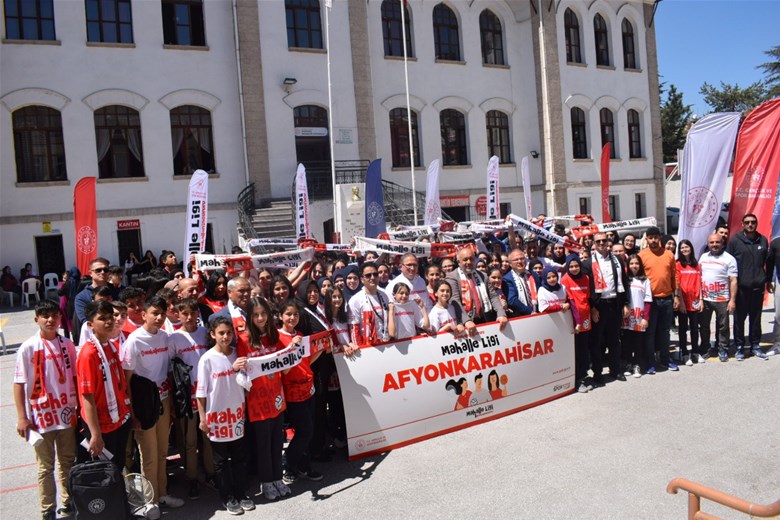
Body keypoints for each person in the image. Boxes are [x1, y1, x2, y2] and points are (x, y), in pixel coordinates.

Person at [14, 300, 78, 520]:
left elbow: (76, 378)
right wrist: (22, 417)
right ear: (36, 319)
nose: (50, 320)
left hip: (66, 413)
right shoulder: (28, 347)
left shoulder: (68, 345)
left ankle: (69, 502)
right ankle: (47, 509)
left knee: (68, 461)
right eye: (45, 316)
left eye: (54, 315)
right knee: (45, 466)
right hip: (41, 416)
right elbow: (19, 383)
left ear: (61, 318)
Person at [122, 296, 184, 512]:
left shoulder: (166, 338)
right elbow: (127, 380)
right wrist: (133, 413)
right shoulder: (134, 341)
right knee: (148, 455)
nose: (159, 317)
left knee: (161, 453)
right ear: (144, 315)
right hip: (144, 405)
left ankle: (163, 494)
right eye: (154, 313)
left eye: (162, 313)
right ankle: (150, 502)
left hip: (164, 400)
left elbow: (167, 371)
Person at [196, 317, 255, 515]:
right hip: (217, 418)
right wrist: (203, 419)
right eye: (221, 333)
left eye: (229, 333)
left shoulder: (238, 355)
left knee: (239, 457)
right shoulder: (207, 359)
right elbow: (201, 393)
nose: (226, 337)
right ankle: (227, 496)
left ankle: (242, 493)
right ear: (212, 334)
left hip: (236, 415)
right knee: (221, 462)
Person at [241, 297, 290, 501]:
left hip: (276, 396)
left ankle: (278, 478)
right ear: (250, 317)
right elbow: (243, 371)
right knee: (263, 444)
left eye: (264, 313)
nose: (260, 318)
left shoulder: (274, 335)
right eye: (256, 315)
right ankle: (267, 481)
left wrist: (292, 350)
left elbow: (284, 365)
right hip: (257, 400)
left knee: (277, 441)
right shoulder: (244, 339)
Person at [75, 300, 132, 476]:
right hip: (102, 425)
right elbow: (87, 397)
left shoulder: (109, 345)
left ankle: (120, 499)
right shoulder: (89, 353)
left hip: (118, 419)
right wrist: (95, 434)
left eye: (110, 317)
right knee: (105, 473)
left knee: (118, 465)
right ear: (91, 325)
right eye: (102, 318)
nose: (109, 322)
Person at [169, 298, 214, 500]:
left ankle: (211, 473)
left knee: (208, 437)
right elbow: (170, 371)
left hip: (207, 395)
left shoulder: (205, 333)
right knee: (189, 440)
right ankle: (192, 478)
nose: (189, 317)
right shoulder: (174, 338)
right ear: (178, 315)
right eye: (184, 313)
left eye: (193, 313)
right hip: (187, 397)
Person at [278, 301, 324, 484]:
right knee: (305, 431)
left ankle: (304, 466)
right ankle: (288, 462)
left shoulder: (301, 335)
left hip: (308, 387)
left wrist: (320, 348)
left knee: (308, 431)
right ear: (281, 316)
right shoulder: (278, 337)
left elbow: (307, 361)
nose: (292, 318)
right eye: (288, 314)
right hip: (293, 390)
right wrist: (291, 348)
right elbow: (284, 369)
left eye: (295, 314)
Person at [726, 214, 770, 359]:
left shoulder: (763, 240)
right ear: (742, 224)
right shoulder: (735, 241)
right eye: (747, 222)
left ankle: (755, 346)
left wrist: (766, 280)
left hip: (757, 288)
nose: (750, 224)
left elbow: (766, 262)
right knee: (739, 319)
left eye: (753, 222)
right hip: (741, 289)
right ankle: (739, 346)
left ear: (756, 223)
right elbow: (729, 264)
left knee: (756, 319)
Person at [588, 232, 628, 384]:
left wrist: (625, 303)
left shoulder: (617, 259)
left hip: (614, 304)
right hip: (599, 306)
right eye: (598, 241)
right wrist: (592, 307)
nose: (602, 243)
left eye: (604, 240)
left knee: (614, 340)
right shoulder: (588, 263)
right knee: (597, 341)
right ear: (594, 243)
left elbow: (624, 282)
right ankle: (597, 373)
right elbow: (588, 289)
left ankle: (615, 370)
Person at [638, 226, 679, 372]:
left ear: (660, 238)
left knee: (665, 331)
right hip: (650, 301)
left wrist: (677, 296)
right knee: (650, 333)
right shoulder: (642, 255)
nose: (654, 240)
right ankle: (650, 362)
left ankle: (665, 359)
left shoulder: (668, 254)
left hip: (667, 299)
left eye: (656, 237)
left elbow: (674, 276)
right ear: (647, 239)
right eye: (651, 237)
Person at [445, 247, 508, 336]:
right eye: (465, 259)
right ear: (458, 262)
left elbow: (493, 296)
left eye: (471, 259)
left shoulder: (483, 275)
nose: (469, 262)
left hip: (486, 318)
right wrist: (466, 320)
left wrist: (501, 313)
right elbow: (455, 301)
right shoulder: (452, 277)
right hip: (466, 323)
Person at [699, 233, 738, 362]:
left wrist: (732, 300)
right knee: (704, 326)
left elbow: (733, 280)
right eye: (711, 243)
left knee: (723, 326)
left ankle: (723, 349)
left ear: (722, 243)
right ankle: (705, 348)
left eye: (717, 242)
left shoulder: (729, 259)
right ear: (708, 244)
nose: (714, 245)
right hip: (705, 298)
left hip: (722, 299)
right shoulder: (703, 257)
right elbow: (698, 278)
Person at [560, 256, 592, 392]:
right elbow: (570, 302)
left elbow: (588, 298)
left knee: (584, 349)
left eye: (576, 266)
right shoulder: (564, 280)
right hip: (574, 320)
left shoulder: (586, 278)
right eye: (571, 266)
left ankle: (583, 376)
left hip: (586, 319)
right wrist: (577, 321)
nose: (574, 269)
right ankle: (577, 380)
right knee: (576, 351)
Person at [622, 255, 652, 377]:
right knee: (626, 342)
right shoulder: (625, 280)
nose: (634, 266)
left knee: (638, 343)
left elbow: (648, 300)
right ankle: (628, 364)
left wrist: (646, 318)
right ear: (628, 265)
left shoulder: (645, 280)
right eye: (632, 263)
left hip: (639, 317)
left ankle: (637, 365)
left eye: (637, 263)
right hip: (627, 317)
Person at [348, 262, 390, 347]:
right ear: (362, 279)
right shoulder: (355, 300)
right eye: (368, 275)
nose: (372, 277)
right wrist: (361, 350)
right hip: (367, 346)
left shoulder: (385, 295)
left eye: (375, 274)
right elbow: (354, 329)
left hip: (386, 343)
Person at [676, 240, 703, 365]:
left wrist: (701, 299)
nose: (684, 249)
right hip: (683, 301)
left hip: (695, 301)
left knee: (695, 328)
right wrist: (681, 302)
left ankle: (695, 352)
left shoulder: (696, 264)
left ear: (691, 248)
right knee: (682, 328)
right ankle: (685, 353)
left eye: (686, 247)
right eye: (682, 248)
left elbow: (700, 282)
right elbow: (677, 285)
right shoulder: (677, 265)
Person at [503, 248, 535, 317]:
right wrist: (530, 312)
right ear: (510, 264)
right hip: (520, 317)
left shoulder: (533, 274)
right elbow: (512, 300)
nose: (520, 261)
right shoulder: (507, 279)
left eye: (522, 258)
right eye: (516, 259)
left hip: (539, 314)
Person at [767, 235, 780, 356]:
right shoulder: (775, 243)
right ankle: (777, 343)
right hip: (779, 282)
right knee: (778, 315)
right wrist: (768, 280)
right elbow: (770, 262)